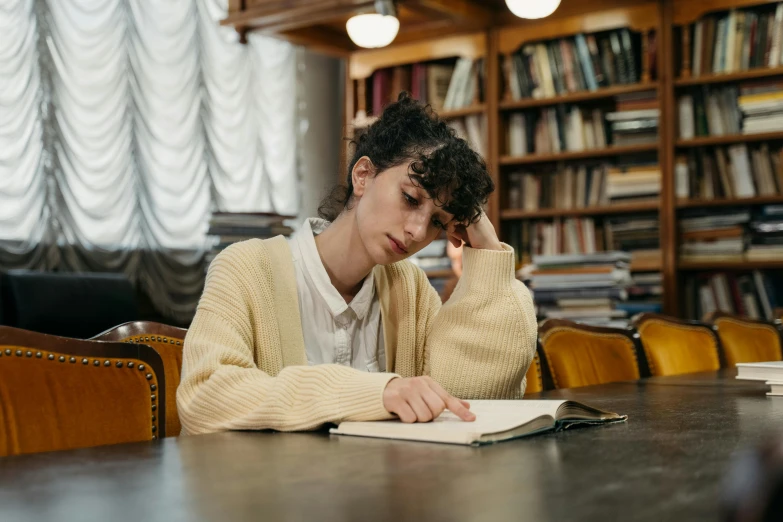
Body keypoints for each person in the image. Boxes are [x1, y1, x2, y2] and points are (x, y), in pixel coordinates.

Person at [177, 93, 538, 435]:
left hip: (382, 494)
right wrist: (374, 393)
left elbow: (464, 400)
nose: (416, 230)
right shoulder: (246, 268)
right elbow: (204, 395)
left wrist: (488, 251)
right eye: (411, 199)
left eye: (437, 223)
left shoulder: (409, 288)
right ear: (363, 175)